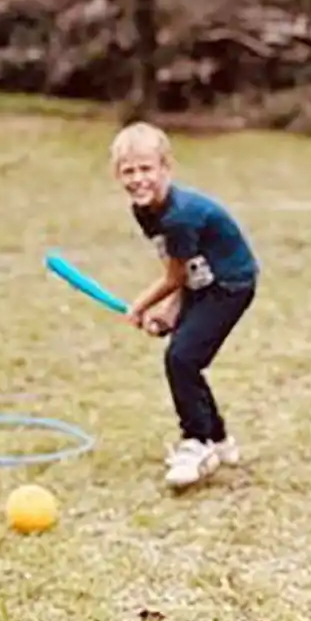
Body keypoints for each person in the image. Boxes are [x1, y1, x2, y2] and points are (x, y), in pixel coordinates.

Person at [112, 122, 259, 489]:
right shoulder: (145, 210)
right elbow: (181, 267)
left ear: (166, 168)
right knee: (184, 358)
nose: (138, 178)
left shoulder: (181, 216)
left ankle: (197, 442)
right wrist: (170, 312)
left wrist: (141, 306)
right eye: (128, 171)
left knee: (182, 358)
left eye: (146, 168)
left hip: (230, 284)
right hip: (202, 278)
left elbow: (175, 276)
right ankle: (220, 440)